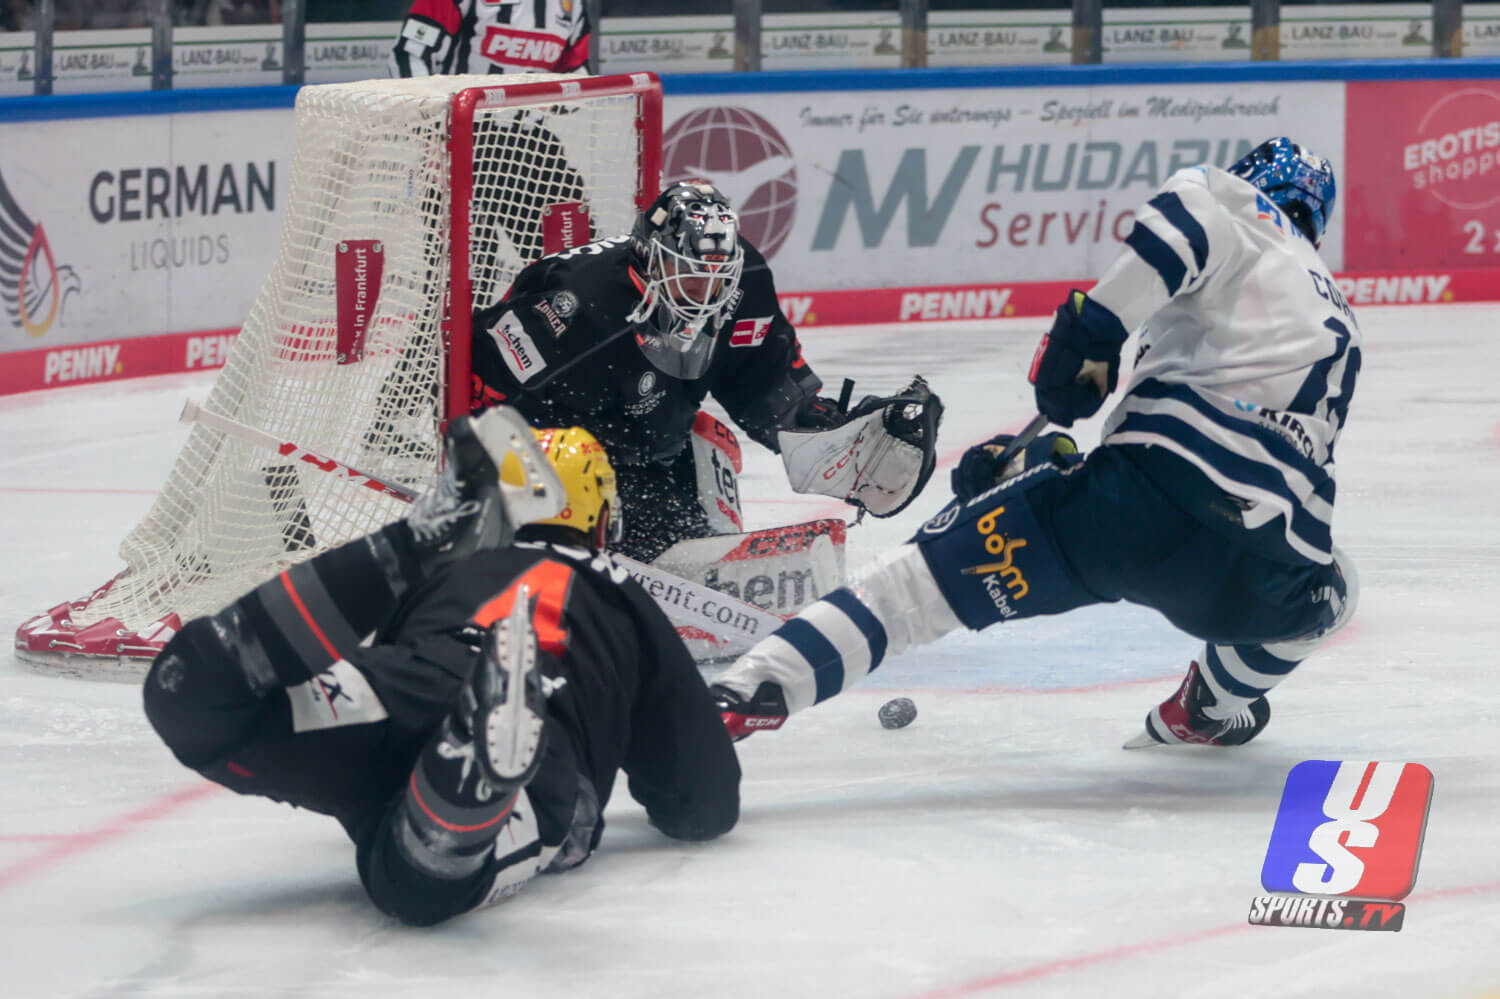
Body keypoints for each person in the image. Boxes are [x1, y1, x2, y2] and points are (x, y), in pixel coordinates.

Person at [712, 137, 1360, 749]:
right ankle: (1211, 708)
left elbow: (1158, 265)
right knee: (1338, 590)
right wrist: (1038, 464)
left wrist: (1086, 340)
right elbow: (1250, 462)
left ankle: (742, 694)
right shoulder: (1338, 316)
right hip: (1267, 574)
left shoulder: (1231, 203)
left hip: (1128, 514)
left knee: (910, 595)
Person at [143, 409, 740, 926]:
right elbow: (702, 802)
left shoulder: (447, 572)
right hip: (543, 736)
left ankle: (408, 544)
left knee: (188, 697)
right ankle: (466, 781)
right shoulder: (621, 592)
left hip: (408, 677)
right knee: (412, 883)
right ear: (601, 522)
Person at [471, 180, 943, 562]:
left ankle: (675, 559)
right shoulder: (576, 306)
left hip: (652, 435)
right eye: (692, 273)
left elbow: (759, 378)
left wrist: (818, 425)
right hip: (561, 442)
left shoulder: (747, 280)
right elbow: (481, 384)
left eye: (718, 275)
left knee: (708, 446)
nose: (707, 290)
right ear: (650, 259)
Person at [390, 0, 590, 78]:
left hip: (531, 137)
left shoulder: (572, 6)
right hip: (462, 130)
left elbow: (575, 71)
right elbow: (408, 55)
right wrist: (431, 124)